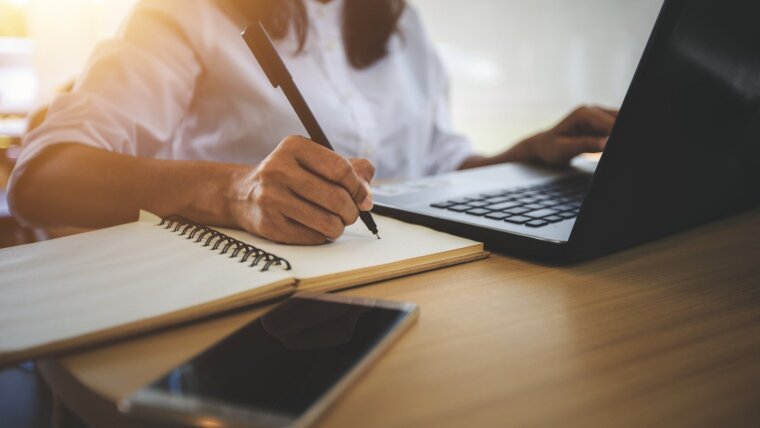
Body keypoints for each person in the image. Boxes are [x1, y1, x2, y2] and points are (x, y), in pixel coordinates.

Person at [7, 0, 617, 245]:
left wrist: (525, 154)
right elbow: (40, 176)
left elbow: (433, 166)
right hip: (263, 319)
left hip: (422, 288)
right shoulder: (184, 13)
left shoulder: (396, 21)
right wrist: (236, 192)